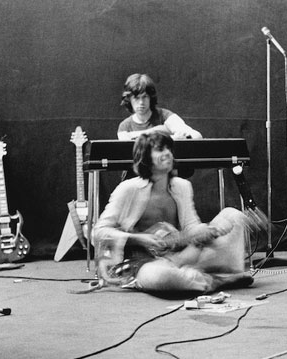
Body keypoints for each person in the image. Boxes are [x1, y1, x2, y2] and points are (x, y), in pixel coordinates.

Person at [93, 132, 263, 294]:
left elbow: (191, 228)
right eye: (160, 149)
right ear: (145, 157)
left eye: (169, 149)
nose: (167, 153)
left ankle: (195, 277)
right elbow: (98, 232)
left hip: (184, 256)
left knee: (233, 215)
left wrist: (210, 230)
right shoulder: (128, 189)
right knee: (161, 277)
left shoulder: (182, 186)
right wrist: (138, 238)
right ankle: (216, 280)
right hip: (146, 264)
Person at [117, 73, 202, 141]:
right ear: (129, 99)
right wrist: (158, 131)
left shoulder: (165, 116)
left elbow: (197, 136)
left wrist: (137, 135)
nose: (141, 102)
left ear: (151, 97)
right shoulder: (124, 126)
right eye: (136, 98)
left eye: (145, 97)